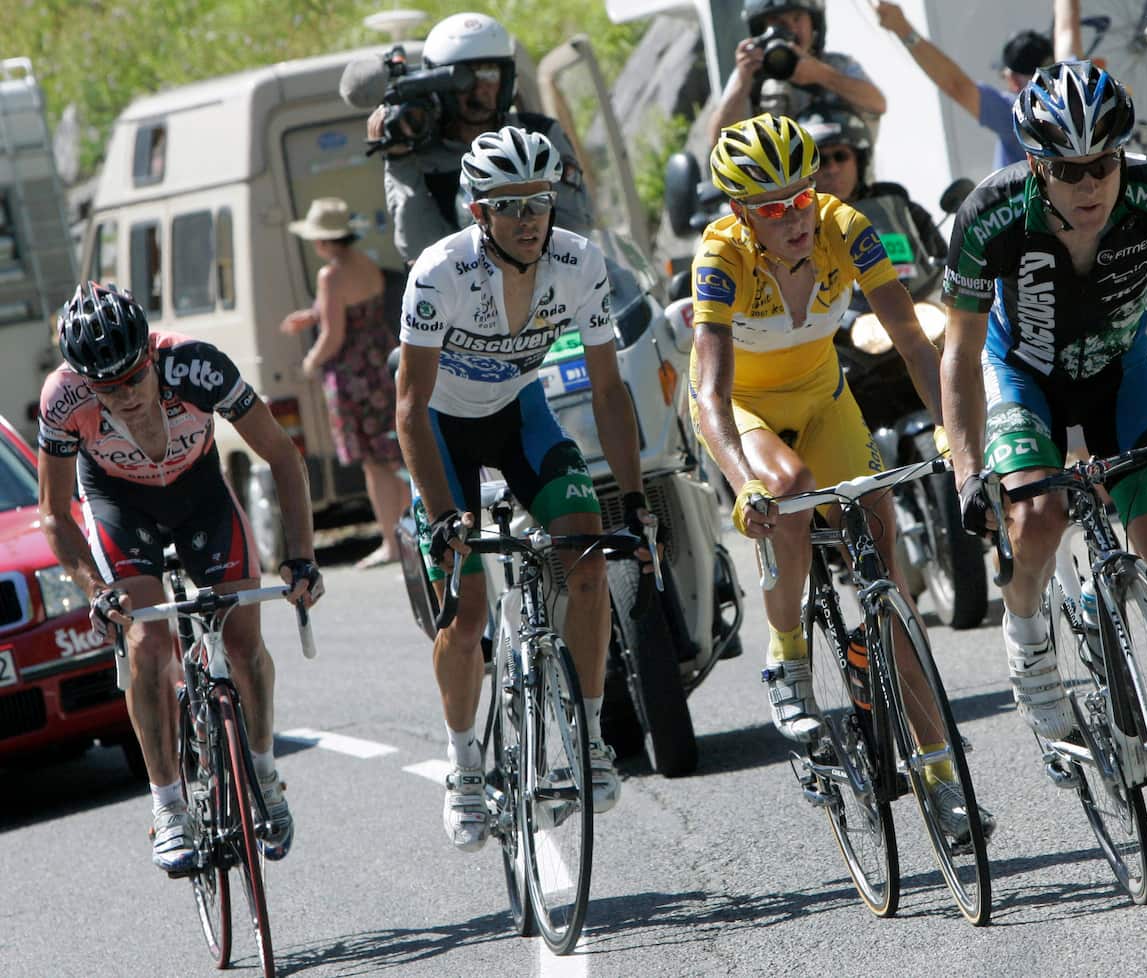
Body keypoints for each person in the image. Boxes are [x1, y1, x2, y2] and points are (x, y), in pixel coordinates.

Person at [939, 61, 1147, 833]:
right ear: (1036, 164)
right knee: (1036, 516)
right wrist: (968, 468)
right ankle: (1028, 642)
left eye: (1104, 162)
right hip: (1022, 374)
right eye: (1068, 169)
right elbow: (959, 349)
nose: (1090, 182)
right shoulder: (990, 213)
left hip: (1120, 371)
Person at [690, 113, 992, 841]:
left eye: (803, 195)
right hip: (744, 411)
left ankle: (941, 780)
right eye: (772, 208)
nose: (795, 217)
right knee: (790, 487)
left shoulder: (846, 228)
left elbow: (915, 343)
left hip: (825, 400)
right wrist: (743, 481)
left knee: (890, 589)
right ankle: (788, 659)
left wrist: (954, 437)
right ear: (739, 211)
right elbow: (710, 393)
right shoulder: (720, 255)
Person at [396, 126, 656, 852]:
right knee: (468, 607)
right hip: (442, 430)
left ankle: (590, 739)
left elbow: (609, 390)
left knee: (589, 558)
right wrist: (444, 518)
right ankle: (464, 769)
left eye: (539, 201)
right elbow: (409, 408)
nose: (528, 218)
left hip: (520, 418)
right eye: (509, 205)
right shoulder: (439, 272)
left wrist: (633, 499)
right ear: (478, 211)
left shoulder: (579, 262)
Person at [36, 282, 324, 872]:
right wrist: (96, 590)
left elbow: (281, 455)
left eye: (132, 378)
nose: (125, 396)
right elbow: (54, 513)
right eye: (107, 388)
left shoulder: (196, 365)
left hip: (200, 496)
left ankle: (264, 773)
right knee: (147, 643)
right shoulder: (62, 398)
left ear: (150, 354)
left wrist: (301, 556)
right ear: (85, 382)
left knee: (243, 641)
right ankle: (168, 804)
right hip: (121, 506)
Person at [359, 12, 592, 264]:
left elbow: (575, 230)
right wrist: (399, 161)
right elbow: (422, 252)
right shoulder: (420, 153)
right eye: (464, 78)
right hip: (461, 285)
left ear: (506, 79)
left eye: (490, 74)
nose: (480, 89)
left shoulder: (539, 136)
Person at [281, 197, 409, 570]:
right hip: (381, 364)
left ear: (323, 240)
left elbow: (334, 336)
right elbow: (354, 309)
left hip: (354, 377)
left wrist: (310, 362)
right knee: (394, 455)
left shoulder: (330, 276)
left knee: (374, 464)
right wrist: (313, 316)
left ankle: (391, 542)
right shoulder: (364, 262)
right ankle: (409, 532)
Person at [874, 1, 1081, 171]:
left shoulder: (1016, 114)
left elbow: (956, 85)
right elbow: (1067, 28)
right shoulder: (1073, 88)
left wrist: (903, 29)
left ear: (1012, 80)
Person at [798, 105, 947, 292]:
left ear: (859, 160)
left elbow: (945, 262)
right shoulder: (798, 225)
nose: (832, 169)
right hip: (843, 309)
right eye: (821, 161)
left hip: (917, 301)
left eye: (841, 156)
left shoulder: (900, 207)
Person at [706, 0, 886, 145]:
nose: (791, 29)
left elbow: (878, 104)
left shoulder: (838, 65)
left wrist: (822, 75)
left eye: (797, 18)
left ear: (813, 23)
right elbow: (719, 140)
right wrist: (742, 81)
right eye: (778, 21)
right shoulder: (749, 74)